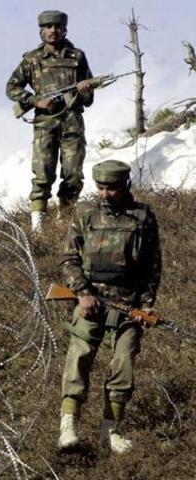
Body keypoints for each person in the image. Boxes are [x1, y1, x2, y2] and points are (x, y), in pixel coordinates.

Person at [57, 160, 162, 453]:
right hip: (91, 301)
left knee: (124, 366)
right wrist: (82, 293)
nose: (105, 194)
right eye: (101, 188)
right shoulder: (84, 214)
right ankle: (68, 426)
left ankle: (111, 430)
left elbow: (153, 267)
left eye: (112, 188)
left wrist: (147, 305)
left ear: (125, 185)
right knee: (78, 359)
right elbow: (68, 259)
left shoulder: (143, 216)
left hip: (128, 305)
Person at [6, 10, 95, 233]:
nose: (53, 30)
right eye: (48, 27)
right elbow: (12, 88)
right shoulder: (32, 59)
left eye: (57, 27)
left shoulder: (77, 57)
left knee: (73, 174)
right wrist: (36, 101)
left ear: (64, 29)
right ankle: (38, 227)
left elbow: (89, 98)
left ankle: (64, 221)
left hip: (72, 122)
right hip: (45, 124)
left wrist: (85, 90)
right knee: (43, 174)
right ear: (42, 31)